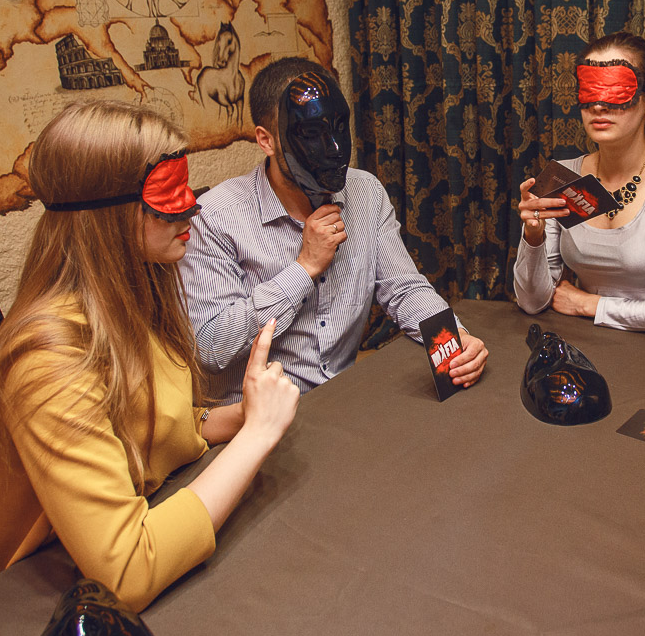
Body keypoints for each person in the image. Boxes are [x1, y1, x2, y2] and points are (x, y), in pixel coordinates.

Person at [0, 101, 300, 613]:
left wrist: (242, 414)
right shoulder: (49, 362)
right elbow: (126, 572)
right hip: (59, 607)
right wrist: (256, 436)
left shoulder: (130, 301)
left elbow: (149, 422)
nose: (192, 208)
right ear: (108, 213)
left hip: (152, 520)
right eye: (169, 194)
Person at [182, 56, 488, 394]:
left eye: (340, 127)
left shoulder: (365, 192)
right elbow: (211, 346)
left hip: (342, 399)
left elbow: (403, 289)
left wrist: (454, 340)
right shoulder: (214, 218)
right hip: (255, 413)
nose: (335, 149)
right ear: (266, 140)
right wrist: (304, 269)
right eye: (312, 134)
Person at [513, 32, 645, 339]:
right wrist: (533, 236)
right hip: (584, 343)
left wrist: (588, 304)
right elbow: (532, 303)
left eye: (616, 91)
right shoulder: (564, 176)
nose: (599, 106)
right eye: (589, 92)